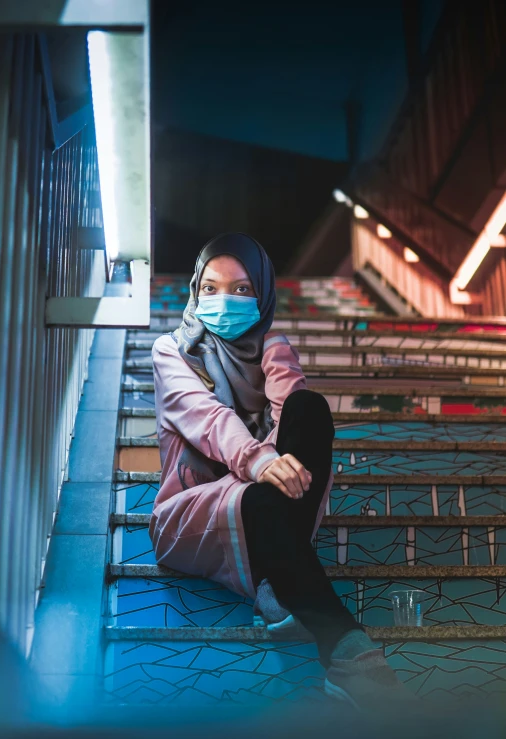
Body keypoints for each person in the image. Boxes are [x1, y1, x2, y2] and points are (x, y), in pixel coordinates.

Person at [149, 232, 415, 710]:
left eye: (241, 288)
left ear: (264, 295)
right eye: (209, 288)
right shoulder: (173, 351)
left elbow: (289, 411)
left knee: (307, 407)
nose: (224, 299)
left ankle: (280, 585)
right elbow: (207, 420)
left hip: (269, 502)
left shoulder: (273, 344)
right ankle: (346, 646)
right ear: (193, 290)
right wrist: (260, 461)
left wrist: (272, 461)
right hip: (193, 514)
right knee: (257, 493)